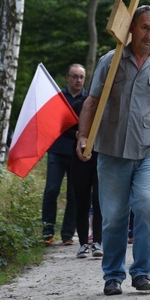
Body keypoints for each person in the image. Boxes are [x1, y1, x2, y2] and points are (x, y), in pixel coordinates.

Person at [76, 5, 150, 296]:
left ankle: (142, 272)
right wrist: (83, 136)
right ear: (132, 27)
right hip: (111, 150)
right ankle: (112, 275)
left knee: (147, 204)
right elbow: (92, 101)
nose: (149, 35)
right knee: (114, 216)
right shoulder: (111, 61)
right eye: (145, 28)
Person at [41, 64, 87, 246]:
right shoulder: (57, 98)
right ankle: (47, 231)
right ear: (67, 78)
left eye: (81, 77)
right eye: (75, 76)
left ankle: (67, 234)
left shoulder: (88, 99)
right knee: (52, 190)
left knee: (74, 194)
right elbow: (49, 123)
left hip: (77, 153)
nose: (78, 80)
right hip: (57, 151)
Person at [70, 100, 103, 259]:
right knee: (82, 201)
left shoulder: (107, 105)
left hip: (101, 158)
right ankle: (83, 243)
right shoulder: (78, 105)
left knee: (99, 201)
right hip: (80, 159)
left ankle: (98, 242)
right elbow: (65, 129)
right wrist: (78, 134)